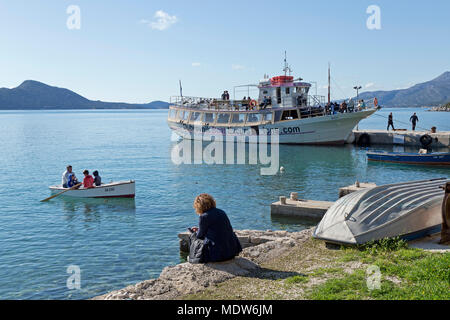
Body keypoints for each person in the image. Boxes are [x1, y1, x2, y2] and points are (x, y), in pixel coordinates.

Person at [188, 194, 242, 263]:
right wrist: (200, 228)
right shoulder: (221, 212)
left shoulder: (204, 216)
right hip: (231, 252)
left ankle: (192, 257)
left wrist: (196, 231)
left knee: (193, 236)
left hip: (217, 255)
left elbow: (200, 236)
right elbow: (217, 229)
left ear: (199, 206)